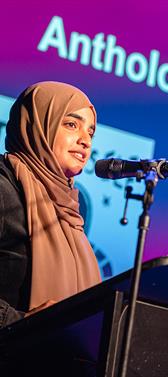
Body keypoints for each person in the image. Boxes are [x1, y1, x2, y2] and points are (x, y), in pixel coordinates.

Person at [0, 81, 101, 328]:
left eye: (90, 132)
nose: (85, 140)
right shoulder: (5, 189)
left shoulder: (69, 212)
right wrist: (20, 323)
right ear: (38, 126)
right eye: (71, 124)